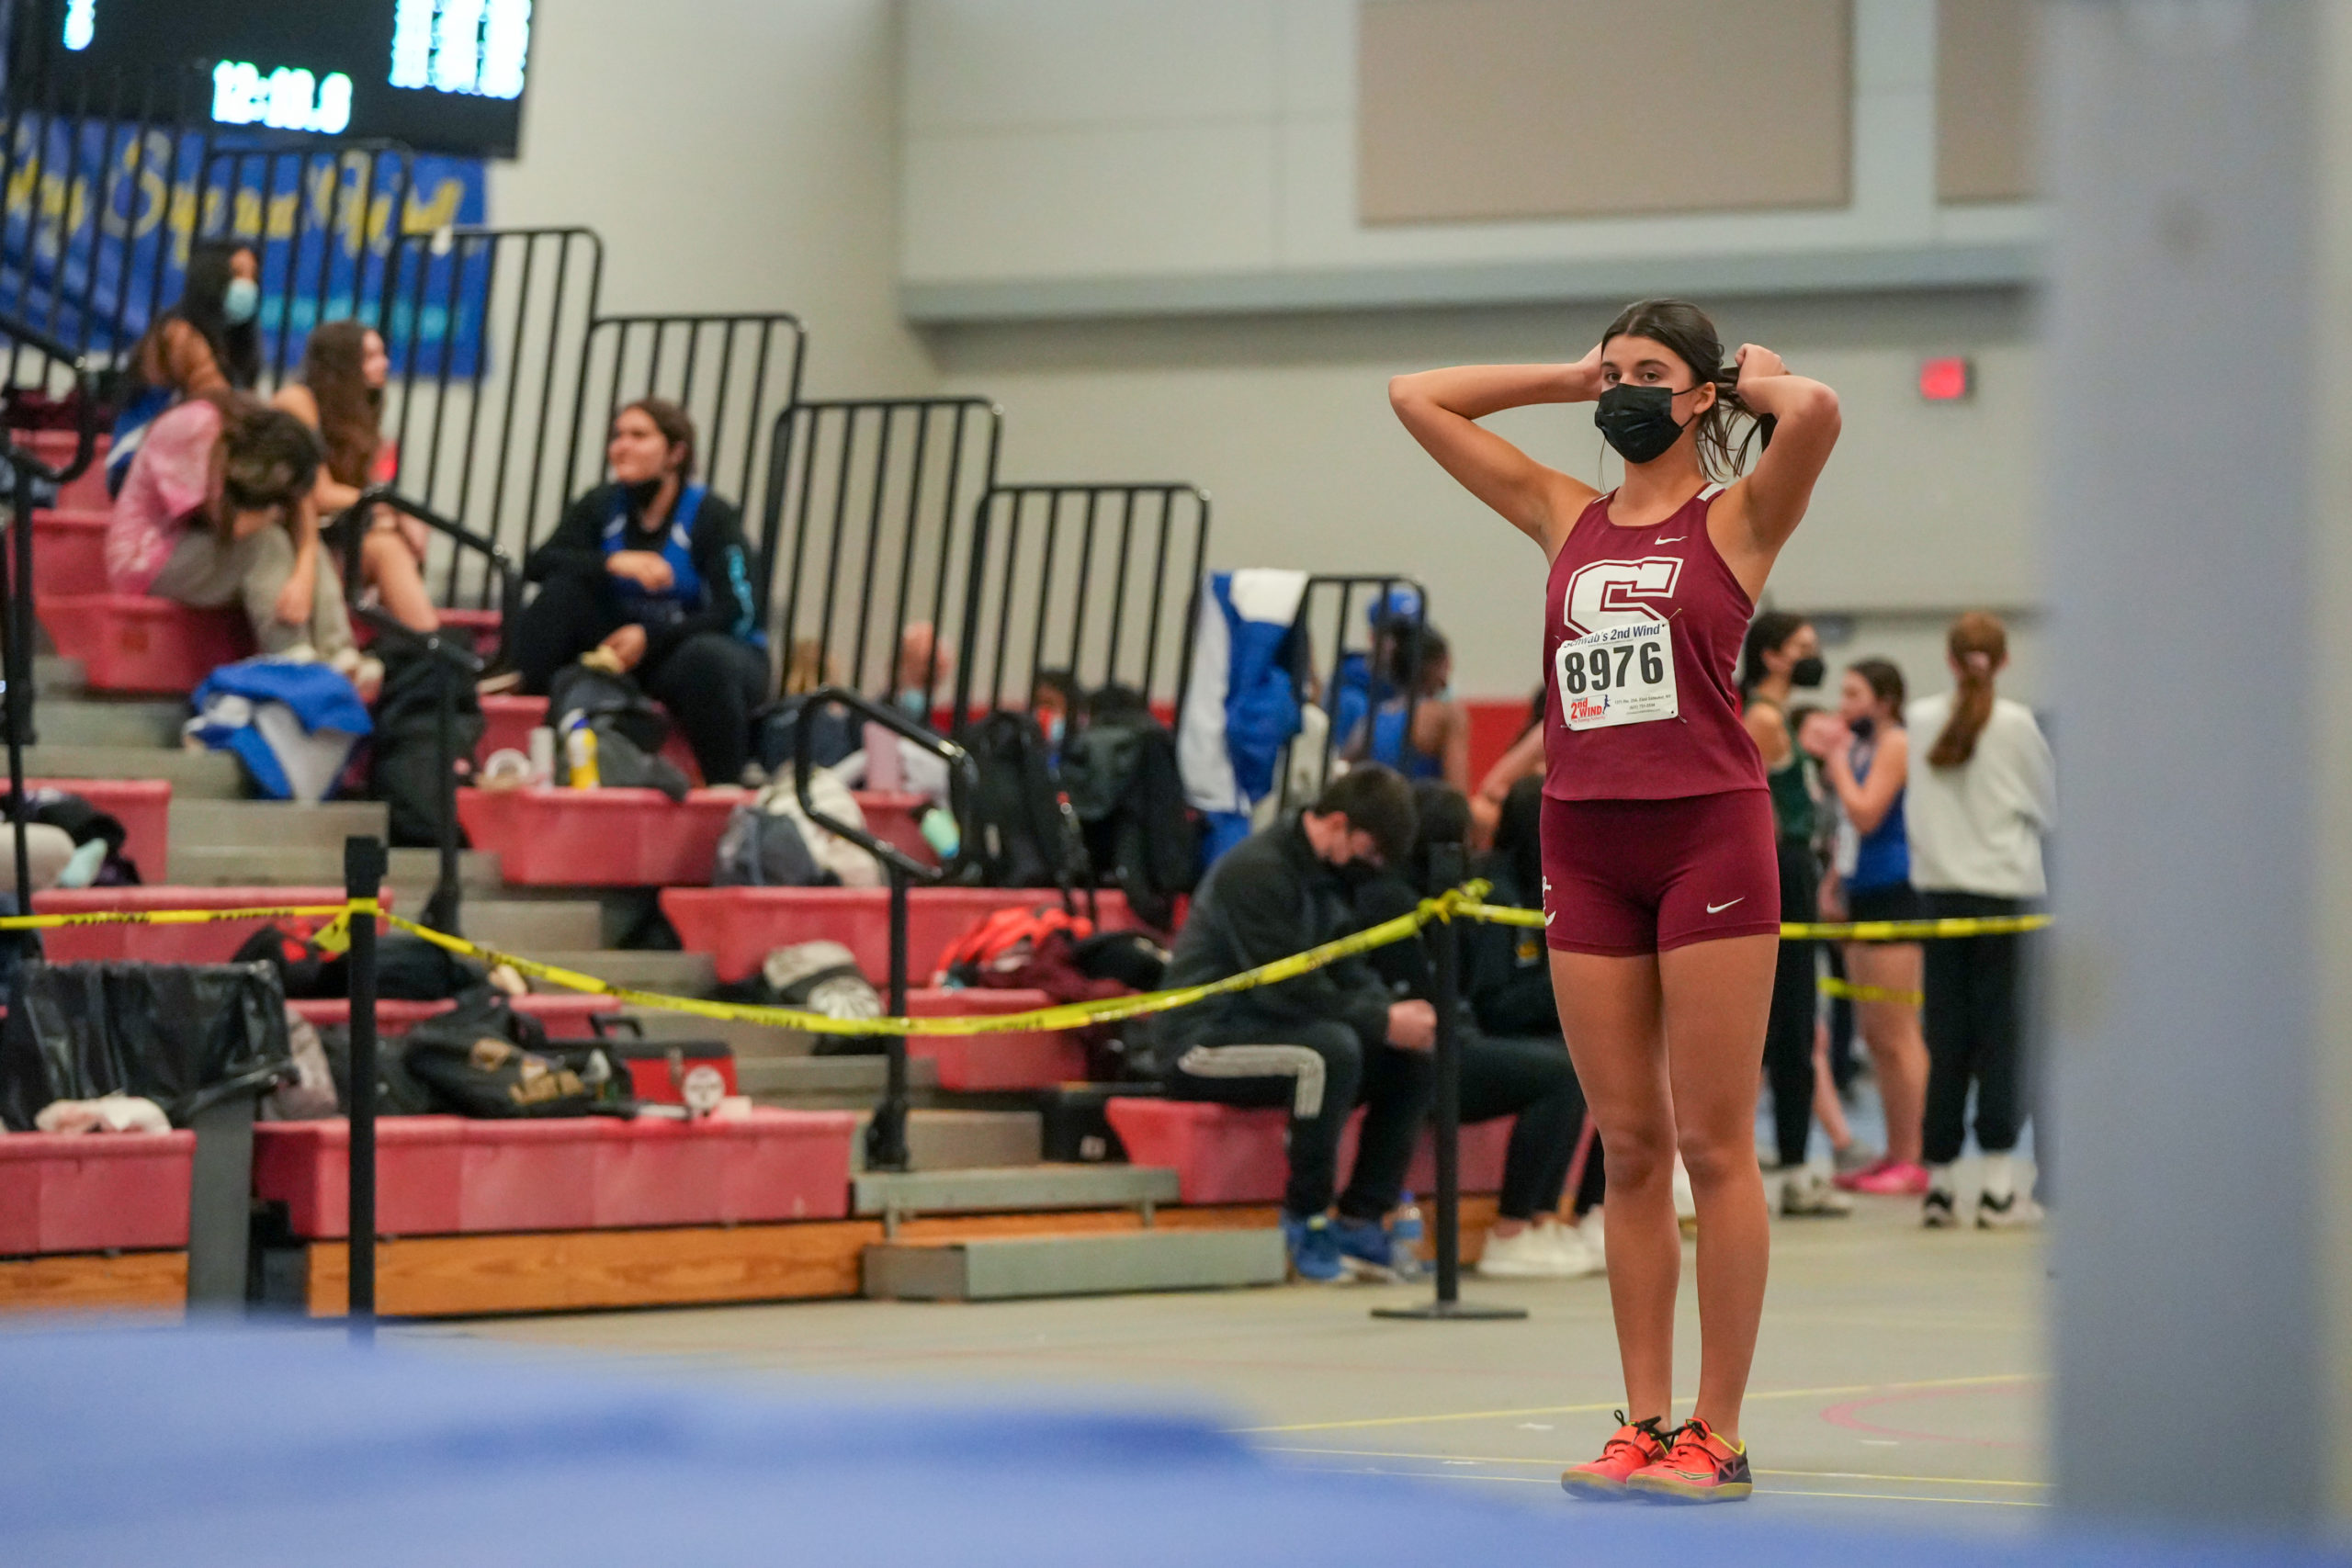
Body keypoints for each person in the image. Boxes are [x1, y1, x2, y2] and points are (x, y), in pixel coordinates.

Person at [1391, 296, 1840, 1504]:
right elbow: (1415, 396)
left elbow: (1820, 410)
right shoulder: (1562, 513)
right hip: (1583, 841)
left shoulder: (1739, 517)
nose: (1627, 390)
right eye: (1618, 372)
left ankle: (1720, 1427)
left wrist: (1751, 377)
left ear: (1702, 395)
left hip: (1710, 836)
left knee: (1710, 1140)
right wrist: (1571, 374)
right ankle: (1641, 1418)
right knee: (1631, 1145)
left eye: (1656, 374)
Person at [1154, 765, 1437, 1283]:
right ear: (1335, 824)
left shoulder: (1331, 878)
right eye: (1369, 851)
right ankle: (1305, 1220)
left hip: (1271, 1027)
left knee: (1410, 1057)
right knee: (1327, 1052)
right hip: (1203, 1038)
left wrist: (1395, 1016)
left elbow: (1348, 967)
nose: (1372, 867)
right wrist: (1379, 1019)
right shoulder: (1258, 871)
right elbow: (1282, 992)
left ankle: (1362, 1218)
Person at [511, 399, 768, 784]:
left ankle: (726, 786)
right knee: (561, 593)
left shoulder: (712, 516)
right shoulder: (602, 504)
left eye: (639, 435)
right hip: (622, 657)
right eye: (617, 436)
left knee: (706, 658)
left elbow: (739, 610)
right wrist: (612, 563)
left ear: (676, 453)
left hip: (694, 657)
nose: (621, 446)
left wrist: (651, 637)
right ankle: (523, 742)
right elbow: (538, 564)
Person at [1905, 613, 2053, 1229]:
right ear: (2004, 660)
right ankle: (1997, 1188)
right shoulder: (2017, 725)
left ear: (1949, 659)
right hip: (2004, 902)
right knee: (2002, 1041)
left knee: (1945, 1042)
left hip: (1938, 900)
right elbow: (2049, 807)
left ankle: (1939, 1185)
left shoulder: (1916, 719)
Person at [104, 390, 374, 694]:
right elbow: (230, 526)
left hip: (200, 546)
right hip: (148, 557)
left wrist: (302, 575)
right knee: (265, 542)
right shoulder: (196, 429)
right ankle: (291, 656)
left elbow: (300, 510)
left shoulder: (253, 433)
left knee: (297, 544)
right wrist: (279, 513)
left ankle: (338, 652)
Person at [1463, 775, 1609, 1273]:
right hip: (1475, 1041)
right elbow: (1491, 1004)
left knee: (1618, 1060)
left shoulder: (1551, 886)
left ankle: (1581, 1213)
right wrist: (1571, 990)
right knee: (1568, 1070)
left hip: (1526, 1029)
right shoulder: (1496, 893)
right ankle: (1514, 1227)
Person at [1736, 612, 1848, 1218]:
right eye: (1803, 648)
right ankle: (1793, 1166)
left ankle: (1796, 1159)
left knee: (1799, 1026)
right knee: (1788, 1023)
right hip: (1781, 871)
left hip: (1797, 867)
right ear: (1774, 656)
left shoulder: (1780, 720)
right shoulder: (1762, 718)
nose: (1813, 657)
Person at [1810, 659, 1931, 1197]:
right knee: (1874, 1037)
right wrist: (1833, 882)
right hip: (1859, 894)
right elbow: (1846, 833)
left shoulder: (1896, 744)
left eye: (1854, 694)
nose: (1843, 705)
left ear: (1884, 700)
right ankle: (1894, 1149)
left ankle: (1918, 1155)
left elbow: (1867, 813)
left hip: (1896, 895)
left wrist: (1834, 762)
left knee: (1899, 1034)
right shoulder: (1859, 748)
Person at [273, 320, 438, 634]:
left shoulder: (363, 414)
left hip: (331, 540)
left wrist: (391, 517)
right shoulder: (298, 400)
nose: (385, 364)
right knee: (386, 547)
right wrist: (397, 510)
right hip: (288, 541)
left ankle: (426, 647)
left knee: (390, 540)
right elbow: (320, 494)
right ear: (343, 364)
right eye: (372, 355)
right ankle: (430, 645)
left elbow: (365, 490)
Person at [108, 240, 263, 495]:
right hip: (140, 458)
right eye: (237, 275)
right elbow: (220, 401)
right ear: (211, 276)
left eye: (252, 277)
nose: (247, 286)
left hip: (200, 458)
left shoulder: (235, 342)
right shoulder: (179, 332)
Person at [1349, 626, 1471, 792]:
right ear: (1435, 665)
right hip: (1422, 813)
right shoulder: (1446, 715)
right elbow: (1457, 792)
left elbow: (1347, 772)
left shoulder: (1371, 720)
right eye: (1446, 663)